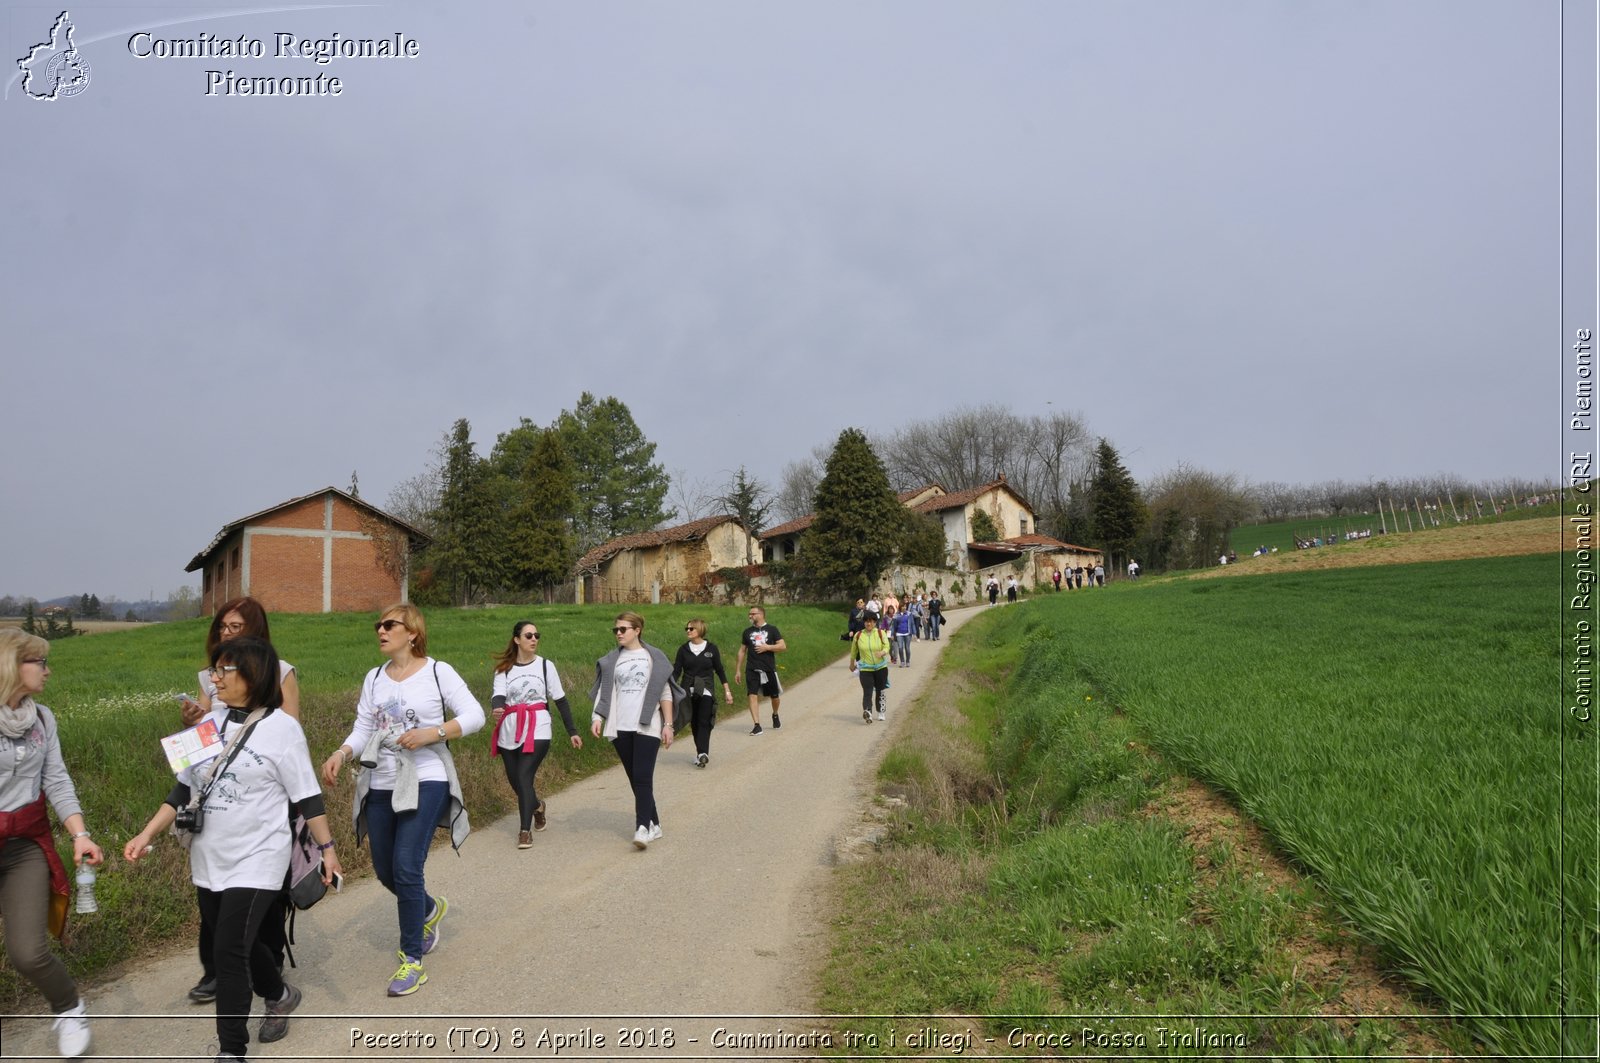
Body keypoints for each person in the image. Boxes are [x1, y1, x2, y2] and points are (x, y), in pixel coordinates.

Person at [125, 637, 339, 1063]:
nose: (214, 678)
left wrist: (327, 849)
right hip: (208, 856)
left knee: (227, 952)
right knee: (238, 942)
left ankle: (231, 1051)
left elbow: (307, 796)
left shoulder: (283, 729)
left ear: (254, 676)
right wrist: (146, 833)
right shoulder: (209, 722)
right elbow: (184, 787)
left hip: (260, 858)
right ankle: (279, 993)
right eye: (214, 670)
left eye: (224, 671)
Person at [320, 603, 482, 997]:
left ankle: (412, 959)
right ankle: (427, 909)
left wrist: (433, 733)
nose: (380, 630)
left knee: (407, 865)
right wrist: (342, 752)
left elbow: (475, 715)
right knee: (384, 869)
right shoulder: (375, 677)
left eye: (389, 625)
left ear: (411, 632)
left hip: (426, 778)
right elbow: (363, 726)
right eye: (378, 625)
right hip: (380, 782)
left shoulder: (437, 672)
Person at [178, 596, 299, 1006]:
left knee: (260, 897)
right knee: (214, 893)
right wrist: (194, 724)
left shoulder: (280, 672)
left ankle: (266, 968)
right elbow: (208, 733)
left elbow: (288, 732)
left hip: (263, 791)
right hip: (218, 797)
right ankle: (219, 968)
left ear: (256, 630)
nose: (227, 633)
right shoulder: (211, 676)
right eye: (223, 627)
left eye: (236, 627)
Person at [0, 629, 102, 1059]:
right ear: (11, 665)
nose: (48, 670)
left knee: (28, 951)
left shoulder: (43, 718)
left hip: (24, 844)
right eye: (39, 662)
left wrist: (80, 834)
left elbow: (56, 780)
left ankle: (68, 1007)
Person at [590, 612, 679, 848]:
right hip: (620, 726)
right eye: (615, 630)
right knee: (635, 778)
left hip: (647, 724)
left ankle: (641, 827)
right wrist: (597, 717)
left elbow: (665, 693)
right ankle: (655, 824)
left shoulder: (654, 657)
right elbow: (604, 692)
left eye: (623, 629)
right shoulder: (612, 660)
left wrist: (668, 725)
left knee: (642, 776)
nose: (618, 633)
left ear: (637, 630)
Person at [490, 621, 580, 849]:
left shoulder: (545, 666)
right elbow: (498, 695)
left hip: (538, 726)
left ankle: (524, 831)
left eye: (536, 635)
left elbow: (560, 699)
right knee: (516, 782)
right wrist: (497, 707)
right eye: (528, 635)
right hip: (509, 729)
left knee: (523, 777)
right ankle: (538, 807)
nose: (534, 639)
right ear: (517, 639)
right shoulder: (504, 669)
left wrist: (572, 731)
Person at [672, 619, 732, 768]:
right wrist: (669, 689)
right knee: (694, 722)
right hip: (688, 690)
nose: (688, 631)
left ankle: (703, 753)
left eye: (691, 628)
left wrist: (727, 691)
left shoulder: (711, 649)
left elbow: (719, 670)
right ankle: (700, 753)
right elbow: (677, 671)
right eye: (686, 628)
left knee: (704, 720)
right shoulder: (683, 649)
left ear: (699, 630)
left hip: (706, 689)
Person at [736, 606, 786, 735]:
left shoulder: (772, 629)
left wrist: (767, 647)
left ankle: (775, 714)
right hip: (752, 668)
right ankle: (757, 725)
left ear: (761, 614)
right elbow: (742, 651)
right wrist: (738, 670)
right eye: (749, 614)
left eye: (752, 614)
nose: (750, 616)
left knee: (774, 696)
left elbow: (782, 646)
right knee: (752, 695)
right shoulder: (747, 632)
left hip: (768, 668)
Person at [848, 614, 891, 723]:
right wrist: (852, 663)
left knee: (880, 691)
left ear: (875, 622)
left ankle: (881, 711)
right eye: (866, 621)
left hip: (880, 668)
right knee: (867, 691)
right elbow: (854, 651)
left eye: (871, 621)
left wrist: (883, 652)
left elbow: (887, 646)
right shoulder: (858, 635)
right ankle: (868, 712)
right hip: (866, 668)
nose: (869, 623)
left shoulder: (881, 633)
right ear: (864, 623)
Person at [889, 603, 913, 668]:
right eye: (902, 606)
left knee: (907, 648)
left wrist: (914, 633)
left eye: (905, 606)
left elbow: (912, 624)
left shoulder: (909, 614)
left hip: (907, 633)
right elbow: (893, 626)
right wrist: (892, 634)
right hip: (899, 633)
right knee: (900, 648)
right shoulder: (896, 615)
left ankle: (907, 661)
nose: (904, 607)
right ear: (900, 607)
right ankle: (902, 661)